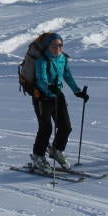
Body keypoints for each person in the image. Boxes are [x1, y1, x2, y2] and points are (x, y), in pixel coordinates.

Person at [29, 33, 88, 173]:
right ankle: (38, 156)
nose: (57, 48)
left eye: (60, 45)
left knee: (65, 127)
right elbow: (41, 78)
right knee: (46, 128)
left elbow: (67, 75)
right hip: (42, 97)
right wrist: (49, 87)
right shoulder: (42, 60)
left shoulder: (63, 59)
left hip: (57, 96)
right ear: (48, 46)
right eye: (54, 45)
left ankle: (56, 150)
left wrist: (77, 91)